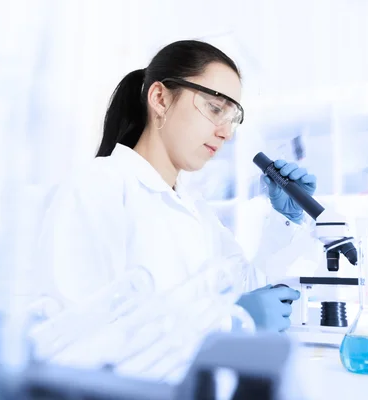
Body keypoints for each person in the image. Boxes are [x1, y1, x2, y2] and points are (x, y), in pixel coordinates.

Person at [35, 39, 319, 367]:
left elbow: (251, 292)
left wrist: (286, 218)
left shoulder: (195, 209)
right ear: (160, 99)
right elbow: (75, 341)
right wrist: (229, 322)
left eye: (233, 117)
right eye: (215, 108)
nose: (226, 132)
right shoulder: (97, 187)